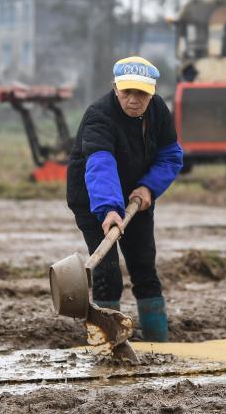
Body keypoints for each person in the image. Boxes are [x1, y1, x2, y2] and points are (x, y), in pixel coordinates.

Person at [65, 56, 184, 342]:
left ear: (152, 92)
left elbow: (171, 155)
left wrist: (148, 188)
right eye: (127, 91)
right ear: (115, 87)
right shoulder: (99, 116)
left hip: (136, 197)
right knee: (108, 273)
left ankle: (158, 341)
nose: (134, 99)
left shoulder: (158, 111)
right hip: (94, 199)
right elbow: (100, 164)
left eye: (141, 93)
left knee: (144, 266)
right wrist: (108, 209)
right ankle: (108, 343)